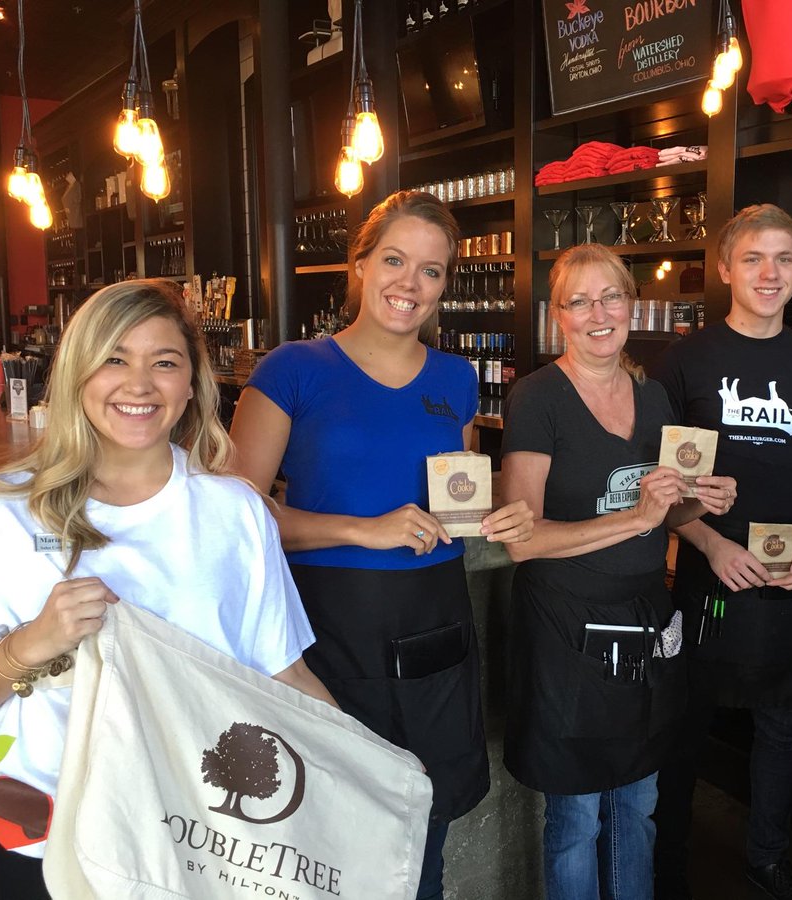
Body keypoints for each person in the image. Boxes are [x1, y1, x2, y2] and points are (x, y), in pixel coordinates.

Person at [0, 279, 334, 900]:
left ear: (191, 384)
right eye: (114, 359)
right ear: (77, 372)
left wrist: (375, 767)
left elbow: (285, 674)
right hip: (51, 829)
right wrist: (33, 642)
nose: (139, 384)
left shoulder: (235, 511)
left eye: (164, 362)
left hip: (206, 834)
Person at [229, 190, 534, 900]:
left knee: (422, 812)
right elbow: (234, 517)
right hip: (328, 622)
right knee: (331, 821)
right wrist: (362, 529)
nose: (410, 283)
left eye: (431, 271)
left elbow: (454, 499)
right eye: (394, 260)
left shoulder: (456, 379)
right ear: (359, 265)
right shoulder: (293, 368)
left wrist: (498, 516)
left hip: (435, 617)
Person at [500, 243, 736, 900]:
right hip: (565, 628)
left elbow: (662, 508)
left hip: (642, 623)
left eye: (611, 297)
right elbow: (522, 539)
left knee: (638, 802)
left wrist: (698, 500)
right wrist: (636, 520)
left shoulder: (655, 396)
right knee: (576, 817)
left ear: (631, 306)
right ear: (560, 316)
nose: (598, 313)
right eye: (581, 301)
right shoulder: (537, 397)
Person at [650, 204, 792, 900]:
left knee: (783, 724)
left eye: (785, 260)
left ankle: (765, 858)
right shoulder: (686, 361)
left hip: (790, 575)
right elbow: (663, 488)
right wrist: (708, 542)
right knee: (685, 725)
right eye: (754, 259)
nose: (771, 274)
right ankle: (667, 862)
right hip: (709, 575)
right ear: (725, 268)